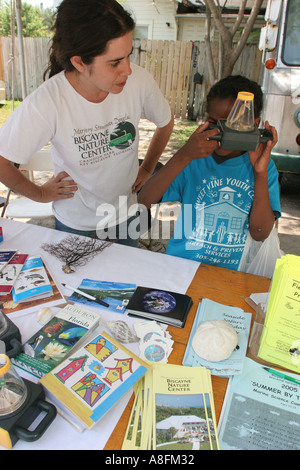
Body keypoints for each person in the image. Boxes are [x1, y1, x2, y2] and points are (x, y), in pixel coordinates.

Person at [0, 0, 173, 247]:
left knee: (124, 283)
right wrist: (39, 193)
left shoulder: (139, 82)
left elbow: (165, 123)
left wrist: (146, 168)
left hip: (125, 214)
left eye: (128, 57)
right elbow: (2, 161)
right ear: (79, 62)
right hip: (75, 223)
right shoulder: (48, 101)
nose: (128, 71)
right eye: (114, 63)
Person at [138, 75, 281, 270]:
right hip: (182, 266)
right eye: (213, 123)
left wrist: (260, 173)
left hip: (232, 273)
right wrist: (184, 156)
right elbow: (143, 200)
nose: (220, 134)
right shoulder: (193, 161)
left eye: (231, 125)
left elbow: (260, 232)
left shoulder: (264, 169)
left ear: (253, 125)